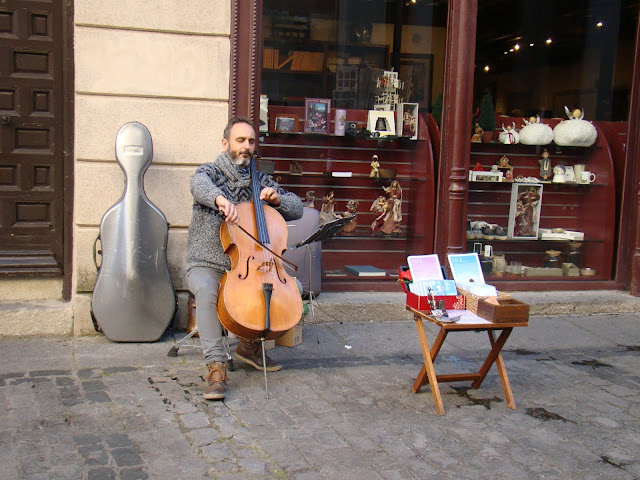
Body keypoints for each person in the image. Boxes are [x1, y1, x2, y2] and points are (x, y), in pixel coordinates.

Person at [186, 116, 303, 400]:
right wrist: (220, 199)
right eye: (240, 140)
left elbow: (297, 207)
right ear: (226, 143)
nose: (246, 147)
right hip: (208, 260)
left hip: (249, 264)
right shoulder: (211, 173)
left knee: (285, 290)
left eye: (251, 141)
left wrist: (278, 200)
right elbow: (197, 184)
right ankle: (216, 365)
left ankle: (248, 347)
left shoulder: (259, 179)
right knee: (207, 290)